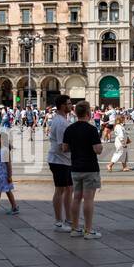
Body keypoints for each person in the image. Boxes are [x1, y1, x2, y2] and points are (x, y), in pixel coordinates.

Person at [60, 101, 104, 239]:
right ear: (88, 113)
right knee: (88, 199)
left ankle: (74, 228)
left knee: (76, 198)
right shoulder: (91, 129)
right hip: (90, 168)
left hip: (75, 168)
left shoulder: (69, 129)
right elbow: (97, 150)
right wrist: (99, 146)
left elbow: (64, 148)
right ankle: (88, 230)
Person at [46, 94, 74, 233]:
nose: (71, 105)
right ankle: (58, 222)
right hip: (59, 161)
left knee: (69, 189)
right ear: (63, 106)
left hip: (64, 161)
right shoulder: (61, 123)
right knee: (60, 190)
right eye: (69, 103)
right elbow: (63, 146)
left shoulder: (61, 120)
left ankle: (68, 219)